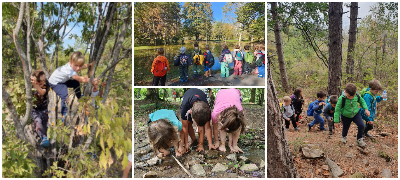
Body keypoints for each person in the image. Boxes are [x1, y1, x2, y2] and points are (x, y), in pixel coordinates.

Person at [48, 51, 94, 121]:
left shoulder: (74, 65)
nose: (78, 68)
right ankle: (64, 114)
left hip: (62, 80)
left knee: (76, 83)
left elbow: (82, 66)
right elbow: (80, 79)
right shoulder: (69, 70)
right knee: (65, 96)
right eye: (76, 65)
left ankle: (79, 97)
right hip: (55, 83)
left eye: (80, 66)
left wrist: (90, 64)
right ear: (70, 62)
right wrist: (91, 80)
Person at [178, 88, 216, 153]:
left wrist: (210, 144)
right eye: (197, 124)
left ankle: (200, 143)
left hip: (201, 99)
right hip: (188, 97)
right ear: (191, 113)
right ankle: (194, 140)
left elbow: (207, 127)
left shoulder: (207, 109)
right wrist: (186, 143)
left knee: (201, 124)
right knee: (188, 123)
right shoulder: (185, 107)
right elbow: (185, 127)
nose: (198, 126)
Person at [334, 83, 370, 147]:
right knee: (345, 127)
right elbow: (337, 110)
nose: (351, 98)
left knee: (361, 125)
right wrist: (336, 121)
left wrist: (366, 109)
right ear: (345, 91)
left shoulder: (356, 95)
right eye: (349, 96)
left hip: (356, 114)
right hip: (345, 116)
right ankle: (344, 137)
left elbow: (362, 101)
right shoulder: (341, 99)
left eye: (352, 96)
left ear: (355, 92)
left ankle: (359, 140)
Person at [211, 89, 245, 153]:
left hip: (235, 92)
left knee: (235, 125)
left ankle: (234, 145)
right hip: (221, 94)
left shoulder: (240, 114)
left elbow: (238, 128)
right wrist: (217, 141)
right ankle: (222, 143)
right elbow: (215, 128)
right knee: (223, 127)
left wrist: (234, 144)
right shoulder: (216, 113)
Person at [31, 70, 50, 147]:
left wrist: (35, 85)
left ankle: (47, 136)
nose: (39, 85)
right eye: (37, 83)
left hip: (44, 107)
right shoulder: (30, 83)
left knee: (45, 121)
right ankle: (43, 138)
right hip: (34, 108)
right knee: (38, 121)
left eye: (40, 84)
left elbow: (42, 92)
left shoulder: (46, 84)